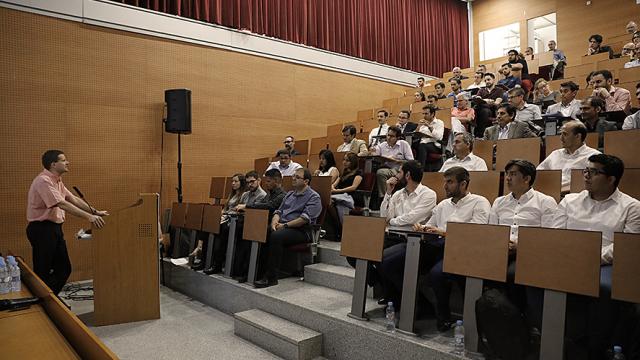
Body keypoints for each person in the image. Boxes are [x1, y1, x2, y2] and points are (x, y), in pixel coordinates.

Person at [548, 154, 640, 355]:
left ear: (611, 179)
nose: (587, 176)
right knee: (533, 276)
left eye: (594, 172)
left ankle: (595, 346)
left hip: (606, 264)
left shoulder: (632, 207)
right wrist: (572, 256)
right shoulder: (570, 201)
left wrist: (591, 257)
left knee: (605, 288)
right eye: (586, 171)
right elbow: (556, 233)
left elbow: (626, 247)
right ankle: (556, 336)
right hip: (567, 258)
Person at [413, 166, 491, 331]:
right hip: (437, 246)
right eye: (445, 182)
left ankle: (444, 316)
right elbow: (430, 226)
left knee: (436, 273)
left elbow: (478, 231)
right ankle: (414, 306)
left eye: (450, 182)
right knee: (401, 258)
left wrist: (445, 232)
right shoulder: (443, 205)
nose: (445, 186)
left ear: (463, 184)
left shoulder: (479, 202)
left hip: (463, 249)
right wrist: (422, 228)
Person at [489, 159, 557, 337]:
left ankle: (519, 323)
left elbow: (549, 235)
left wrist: (521, 246)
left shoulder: (545, 202)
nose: (508, 178)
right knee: (473, 266)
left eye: (513, 174)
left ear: (526, 179)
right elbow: (491, 230)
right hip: (498, 250)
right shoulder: (499, 202)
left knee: (512, 273)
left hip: (529, 253)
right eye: (507, 174)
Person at [26, 150, 108, 295]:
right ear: (53, 164)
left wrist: (95, 212)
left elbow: (73, 199)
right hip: (42, 230)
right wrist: (88, 217)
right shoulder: (43, 181)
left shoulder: (57, 180)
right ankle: (43, 303)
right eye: (64, 160)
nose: (67, 162)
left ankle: (48, 300)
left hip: (54, 229)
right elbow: (61, 204)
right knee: (43, 270)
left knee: (64, 269)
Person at [377, 160, 437, 309]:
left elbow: (413, 218)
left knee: (383, 259)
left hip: (413, 241)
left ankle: (414, 301)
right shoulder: (397, 194)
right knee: (359, 253)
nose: (397, 175)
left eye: (400, 172)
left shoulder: (428, 194)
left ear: (408, 175)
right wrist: (388, 193)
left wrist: (393, 221)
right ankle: (391, 293)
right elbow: (384, 216)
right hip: (392, 236)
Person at [254, 168, 322, 288]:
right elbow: (278, 211)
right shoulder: (290, 194)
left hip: (301, 231)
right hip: (284, 227)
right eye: (293, 176)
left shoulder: (314, 197)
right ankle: (258, 272)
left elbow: (304, 219)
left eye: (297, 177)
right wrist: (274, 223)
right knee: (263, 231)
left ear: (306, 181)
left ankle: (271, 278)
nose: (293, 178)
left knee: (276, 235)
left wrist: (284, 225)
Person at [232, 169, 286, 282]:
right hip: (261, 222)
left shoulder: (282, 195)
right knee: (242, 231)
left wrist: (247, 206)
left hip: (270, 224)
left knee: (253, 233)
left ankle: (256, 273)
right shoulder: (269, 194)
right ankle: (244, 271)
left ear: (276, 181)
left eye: (268, 181)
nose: (266, 184)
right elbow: (262, 204)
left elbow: (270, 206)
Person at [200, 173, 248, 274]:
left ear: (242, 182)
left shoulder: (244, 194)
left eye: (236, 181)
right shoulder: (232, 194)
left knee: (222, 232)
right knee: (206, 228)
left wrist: (225, 214)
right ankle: (203, 260)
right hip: (225, 217)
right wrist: (220, 214)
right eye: (232, 181)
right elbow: (226, 208)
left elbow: (239, 211)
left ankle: (216, 264)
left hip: (232, 220)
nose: (233, 183)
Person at [537, 121, 600, 192]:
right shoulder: (555, 154)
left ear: (578, 136)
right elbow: (538, 173)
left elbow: (597, 183)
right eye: (561, 134)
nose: (561, 138)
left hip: (575, 195)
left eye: (565, 134)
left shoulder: (594, 156)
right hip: (550, 193)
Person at [369, 126, 414, 198]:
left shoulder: (403, 144)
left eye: (392, 136)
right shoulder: (382, 145)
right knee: (375, 170)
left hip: (399, 169)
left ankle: (384, 197)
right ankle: (381, 198)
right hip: (386, 167)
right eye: (388, 135)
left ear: (398, 137)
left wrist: (398, 161)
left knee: (381, 172)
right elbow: (375, 154)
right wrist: (372, 151)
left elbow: (411, 161)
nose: (389, 138)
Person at [328, 152, 363, 231]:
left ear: (353, 162)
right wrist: (332, 187)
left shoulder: (359, 172)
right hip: (340, 194)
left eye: (347, 160)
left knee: (331, 202)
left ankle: (339, 228)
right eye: (344, 160)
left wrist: (338, 191)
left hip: (352, 196)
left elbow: (353, 187)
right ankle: (335, 228)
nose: (344, 162)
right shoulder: (344, 172)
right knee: (327, 201)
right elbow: (335, 183)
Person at [416, 104, 445, 171]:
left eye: (426, 113)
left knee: (422, 146)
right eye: (423, 113)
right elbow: (417, 135)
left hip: (434, 145)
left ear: (432, 114)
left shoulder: (439, 123)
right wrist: (418, 127)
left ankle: (420, 170)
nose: (424, 115)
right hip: (422, 143)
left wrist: (429, 127)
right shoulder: (422, 123)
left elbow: (439, 137)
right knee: (410, 144)